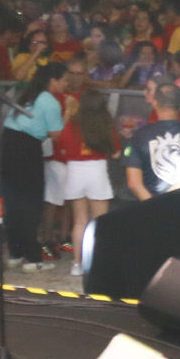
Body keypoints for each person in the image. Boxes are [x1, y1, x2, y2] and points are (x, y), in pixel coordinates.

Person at [1, 63, 65, 269]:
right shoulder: (50, 102)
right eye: (63, 80)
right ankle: (33, 258)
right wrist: (70, 111)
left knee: (14, 203)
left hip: (6, 146)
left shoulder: (26, 94)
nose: (65, 84)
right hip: (26, 150)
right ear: (52, 81)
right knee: (30, 204)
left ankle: (16, 252)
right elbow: (57, 134)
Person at [54, 89, 121, 275]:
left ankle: (77, 264)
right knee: (99, 222)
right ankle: (97, 264)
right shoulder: (106, 125)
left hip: (75, 173)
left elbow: (62, 148)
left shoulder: (72, 126)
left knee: (80, 222)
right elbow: (116, 153)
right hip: (97, 172)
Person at [122, 81, 180, 199]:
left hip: (152, 210)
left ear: (155, 103)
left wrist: (153, 207)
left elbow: (134, 183)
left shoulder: (139, 137)